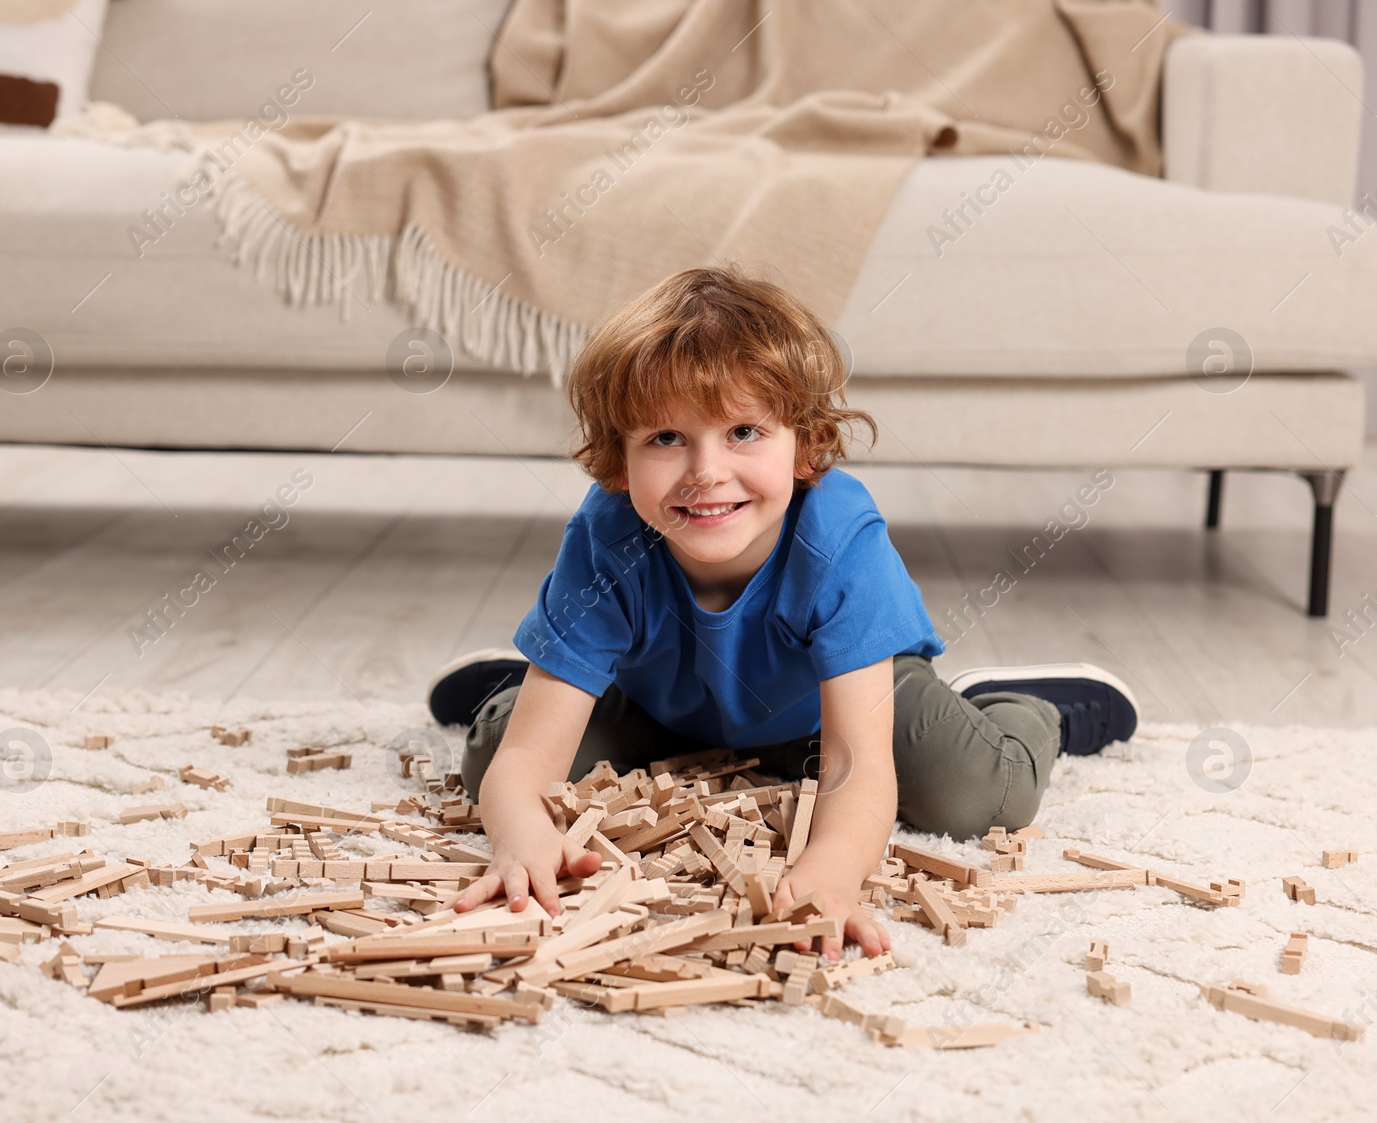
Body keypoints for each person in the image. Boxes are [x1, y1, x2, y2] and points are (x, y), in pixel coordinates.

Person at [425, 265, 1137, 960]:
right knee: (494, 760)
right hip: (665, 702)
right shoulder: (609, 534)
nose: (705, 471)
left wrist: (832, 865)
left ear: (806, 443)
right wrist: (521, 836)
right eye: (666, 438)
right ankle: (551, 669)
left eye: (743, 432)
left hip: (835, 705)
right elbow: (523, 765)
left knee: (978, 795)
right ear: (619, 460)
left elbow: (857, 768)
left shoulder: (838, 540)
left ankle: (1020, 708)